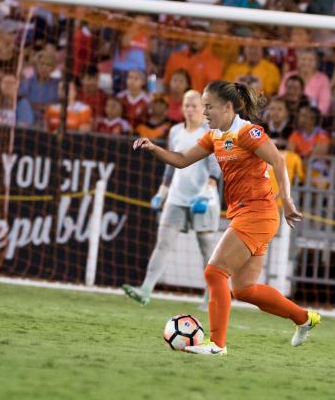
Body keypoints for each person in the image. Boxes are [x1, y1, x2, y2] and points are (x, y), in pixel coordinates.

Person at [133, 80, 320, 356]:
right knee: (244, 289)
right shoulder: (215, 136)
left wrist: (288, 201)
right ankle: (304, 318)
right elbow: (182, 159)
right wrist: (154, 149)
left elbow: (278, 161)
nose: (204, 112)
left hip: (258, 212)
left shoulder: (247, 132)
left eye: (209, 106)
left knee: (214, 272)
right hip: (250, 214)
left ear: (228, 107)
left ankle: (217, 344)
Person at [123, 90, 221, 308]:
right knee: (163, 244)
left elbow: (215, 167)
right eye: (186, 105)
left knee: (207, 250)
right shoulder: (176, 131)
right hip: (177, 198)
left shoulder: (211, 132)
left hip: (203, 199)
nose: (190, 109)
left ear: (203, 108)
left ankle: (212, 296)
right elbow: (171, 164)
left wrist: (206, 194)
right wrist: (162, 193)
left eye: (194, 105)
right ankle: (146, 290)